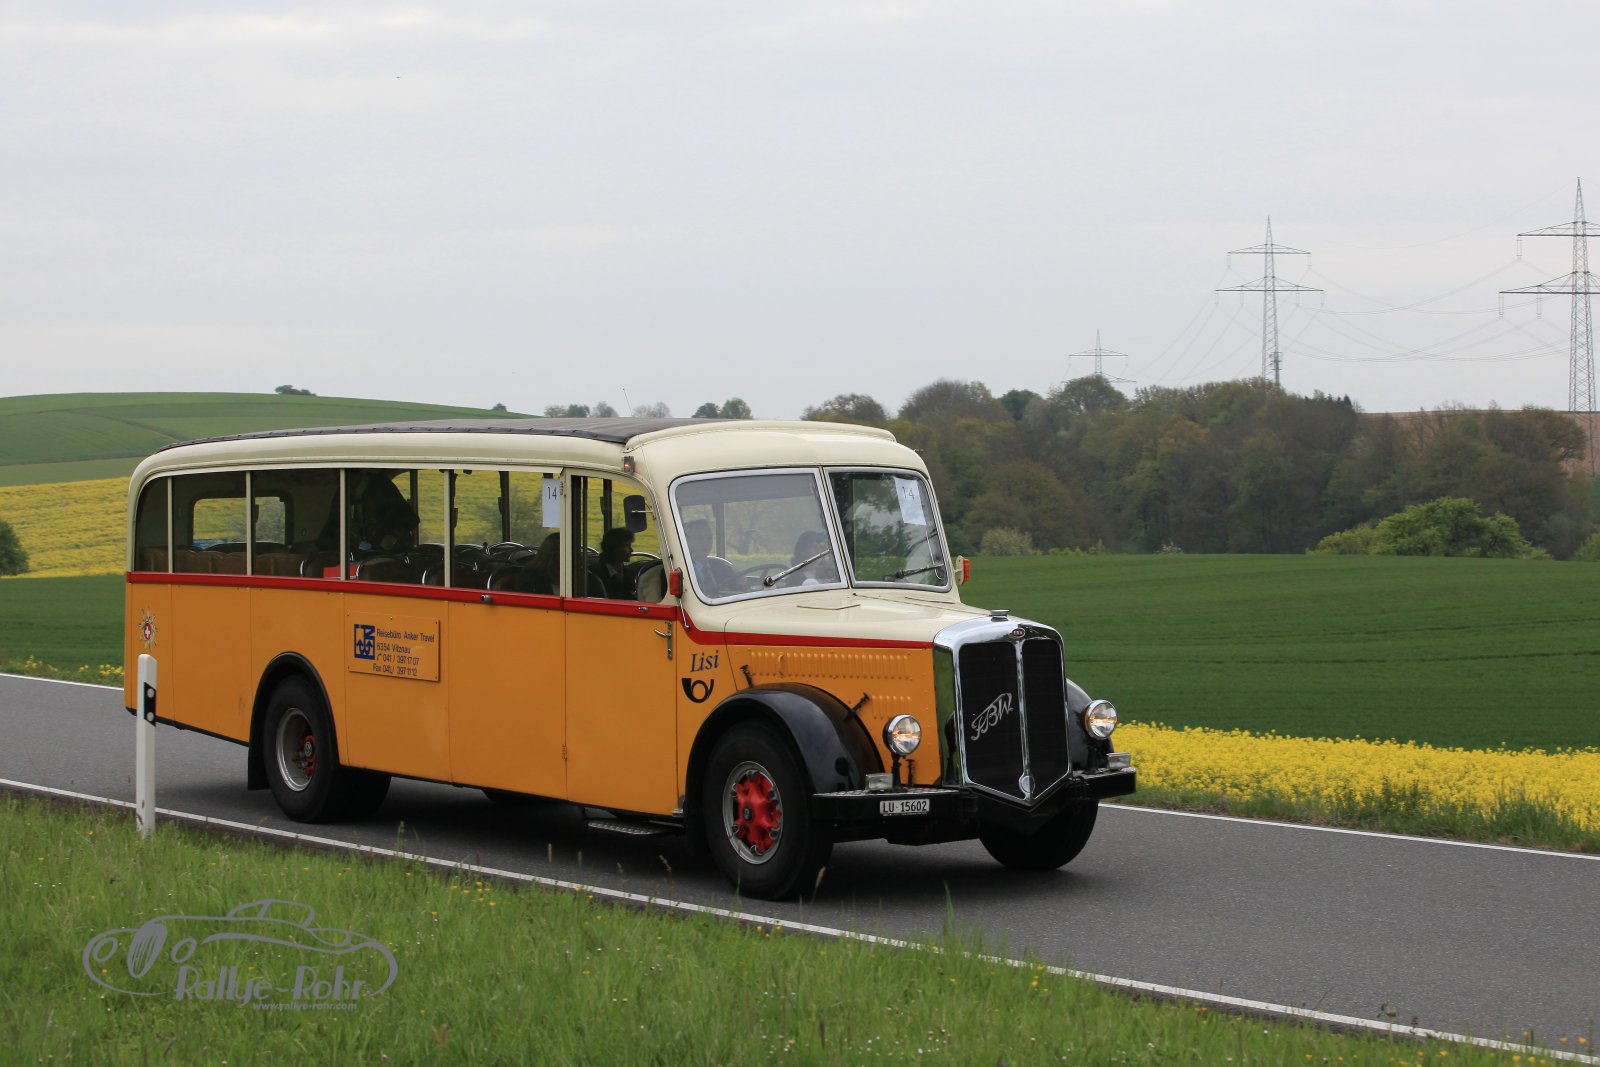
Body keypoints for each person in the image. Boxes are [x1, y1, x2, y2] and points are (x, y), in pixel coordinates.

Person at [588, 527, 634, 599]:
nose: (631, 550)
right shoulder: (594, 576)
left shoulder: (629, 573)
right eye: (627, 546)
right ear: (615, 548)